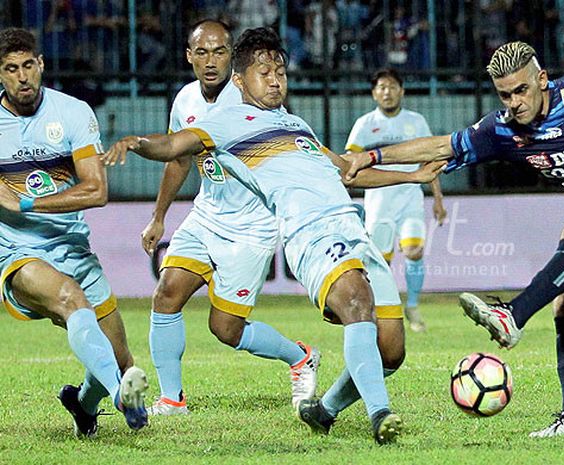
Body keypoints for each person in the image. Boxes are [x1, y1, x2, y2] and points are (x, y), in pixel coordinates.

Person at [103, 27, 445, 444]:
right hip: (308, 232)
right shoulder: (225, 122)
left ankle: (325, 410)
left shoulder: (296, 124)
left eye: (280, 72)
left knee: (392, 350)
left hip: (351, 229)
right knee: (356, 303)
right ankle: (381, 415)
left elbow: (346, 170)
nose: (275, 80)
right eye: (264, 73)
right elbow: (174, 146)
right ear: (240, 80)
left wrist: (414, 175)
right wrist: (136, 142)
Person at [343, 41, 564, 437]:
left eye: (521, 90)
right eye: (505, 94)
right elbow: (443, 144)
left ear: (542, 79)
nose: (514, 102)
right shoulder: (502, 130)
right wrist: (372, 157)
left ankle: (512, 316)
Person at [134, 19, 321, 416]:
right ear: (189, 56)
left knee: (226, 330)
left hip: (251, 228)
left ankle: (300, 356)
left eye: (220, 51)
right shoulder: (185, 100)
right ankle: (172, 399)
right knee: (167, 293)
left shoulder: (254, 100)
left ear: (232, 57)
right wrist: (158, 217)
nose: (211, 61)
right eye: (202, 52)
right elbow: (179, 159)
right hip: (206, 215)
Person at [0, 27, 148, 437]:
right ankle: (123, 398)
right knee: (69, 298)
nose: (22, 76)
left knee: (119, 359)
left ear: (41, 64)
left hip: (73, 247)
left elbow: (97, 190)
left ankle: (83, 405)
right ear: (0, 74)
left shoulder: (73, 112)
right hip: (18, 250)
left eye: (28, 65)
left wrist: (25, 202)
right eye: (11, 69)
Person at [345, 68, 447, 333]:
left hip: (410, 198)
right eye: (381, 87)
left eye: (391, 87)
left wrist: (437, 199)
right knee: (380, 260)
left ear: (401, 90)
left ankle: (412, 305)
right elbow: (348, 163)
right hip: (379, 201)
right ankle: (381, 311)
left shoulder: (416, 121)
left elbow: (429, 161)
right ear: (374, 93)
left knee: (414, 251)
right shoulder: (365, 124)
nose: (386, 92)